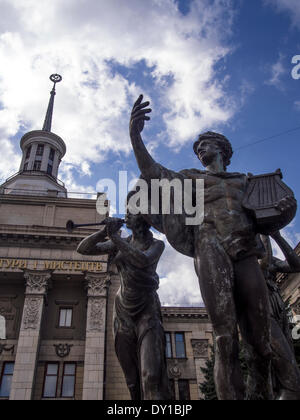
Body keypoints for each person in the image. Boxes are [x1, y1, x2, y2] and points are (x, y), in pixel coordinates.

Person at [128, 95, 296, 400]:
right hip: (210, 245)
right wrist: (135, 135)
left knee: (262, 331)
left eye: (204, 145)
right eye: (197, 148)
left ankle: (281, 389)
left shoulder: (247, 181)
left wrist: (286, 211)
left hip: (245, 249)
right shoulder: (192, 179)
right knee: (224, 336)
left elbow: (271, 216)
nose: (199, 150)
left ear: (222, 149)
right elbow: (153, 172)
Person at [77, 204, 170, 400]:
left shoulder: (157, 244)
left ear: (144, 219)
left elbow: (143, 261)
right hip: (122, 312)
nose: (126, 216)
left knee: (150, 375)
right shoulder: (120, 242)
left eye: (130, 213)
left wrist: (116, 238)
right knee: (132, 381)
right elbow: (83, 249)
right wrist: (103, 232)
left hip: (146, 309)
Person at [257, 229, 300, 400]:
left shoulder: (271, 262)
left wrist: (278, 236)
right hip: (261, 310)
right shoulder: (245, 264)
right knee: (276, 363)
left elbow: (296, 265)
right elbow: (263, 263)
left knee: (288, 359)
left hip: (278, 309)